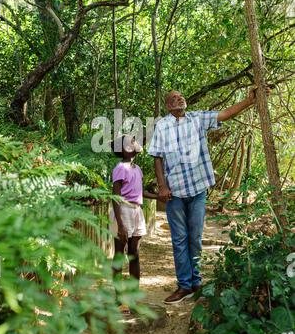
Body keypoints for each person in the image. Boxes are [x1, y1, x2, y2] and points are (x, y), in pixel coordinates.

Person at [148, 88, 267, 304]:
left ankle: (196, 283)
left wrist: (249, 101)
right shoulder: (161, 125)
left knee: (195, 238)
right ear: (168, 106)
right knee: (179, 240)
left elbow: (224, 114)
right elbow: (157, 157)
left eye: (181, 96)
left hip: (198, 189)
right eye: (174, 98)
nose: (180, 98)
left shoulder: (197, 118)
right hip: (174, 193)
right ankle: (184, 286)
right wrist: (162, 186)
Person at [110, 135, 158, 313]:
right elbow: (115, 197)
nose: (136, 143)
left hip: (137, 211)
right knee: (119, 254)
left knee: (134, 254)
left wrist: (158, 196)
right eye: (131, 142)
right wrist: (120, 224)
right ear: (124, 149)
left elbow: (140, 191)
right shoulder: (120, 168)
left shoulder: (137, 168)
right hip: (122, 211)